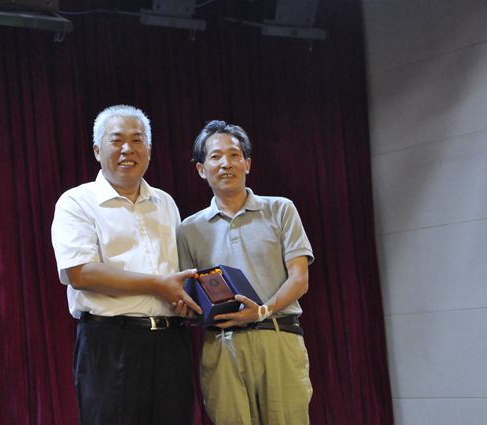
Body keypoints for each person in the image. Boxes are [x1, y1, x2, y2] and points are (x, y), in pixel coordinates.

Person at [51, 104, 201, 425]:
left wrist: (187, 300)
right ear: (97, 150)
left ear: (150, 149)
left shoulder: (165, 202)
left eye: (137, 140)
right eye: (116, 140)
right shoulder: (77, 202)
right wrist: (158, 285)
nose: (127, 149)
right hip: (110, 343)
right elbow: (80, 273)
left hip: (171, 344)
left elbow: (175, 271)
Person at [177, 120, 314, 425]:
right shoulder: (188, 229)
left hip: (277, 334)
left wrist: (262, 310)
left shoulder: (280, 209)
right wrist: (186, 308)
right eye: (215, 157)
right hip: (221, 344)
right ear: (201, 169)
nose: (225, 163)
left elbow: (299, 278)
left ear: (247, 164)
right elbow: (189, 294)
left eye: (234, 155)